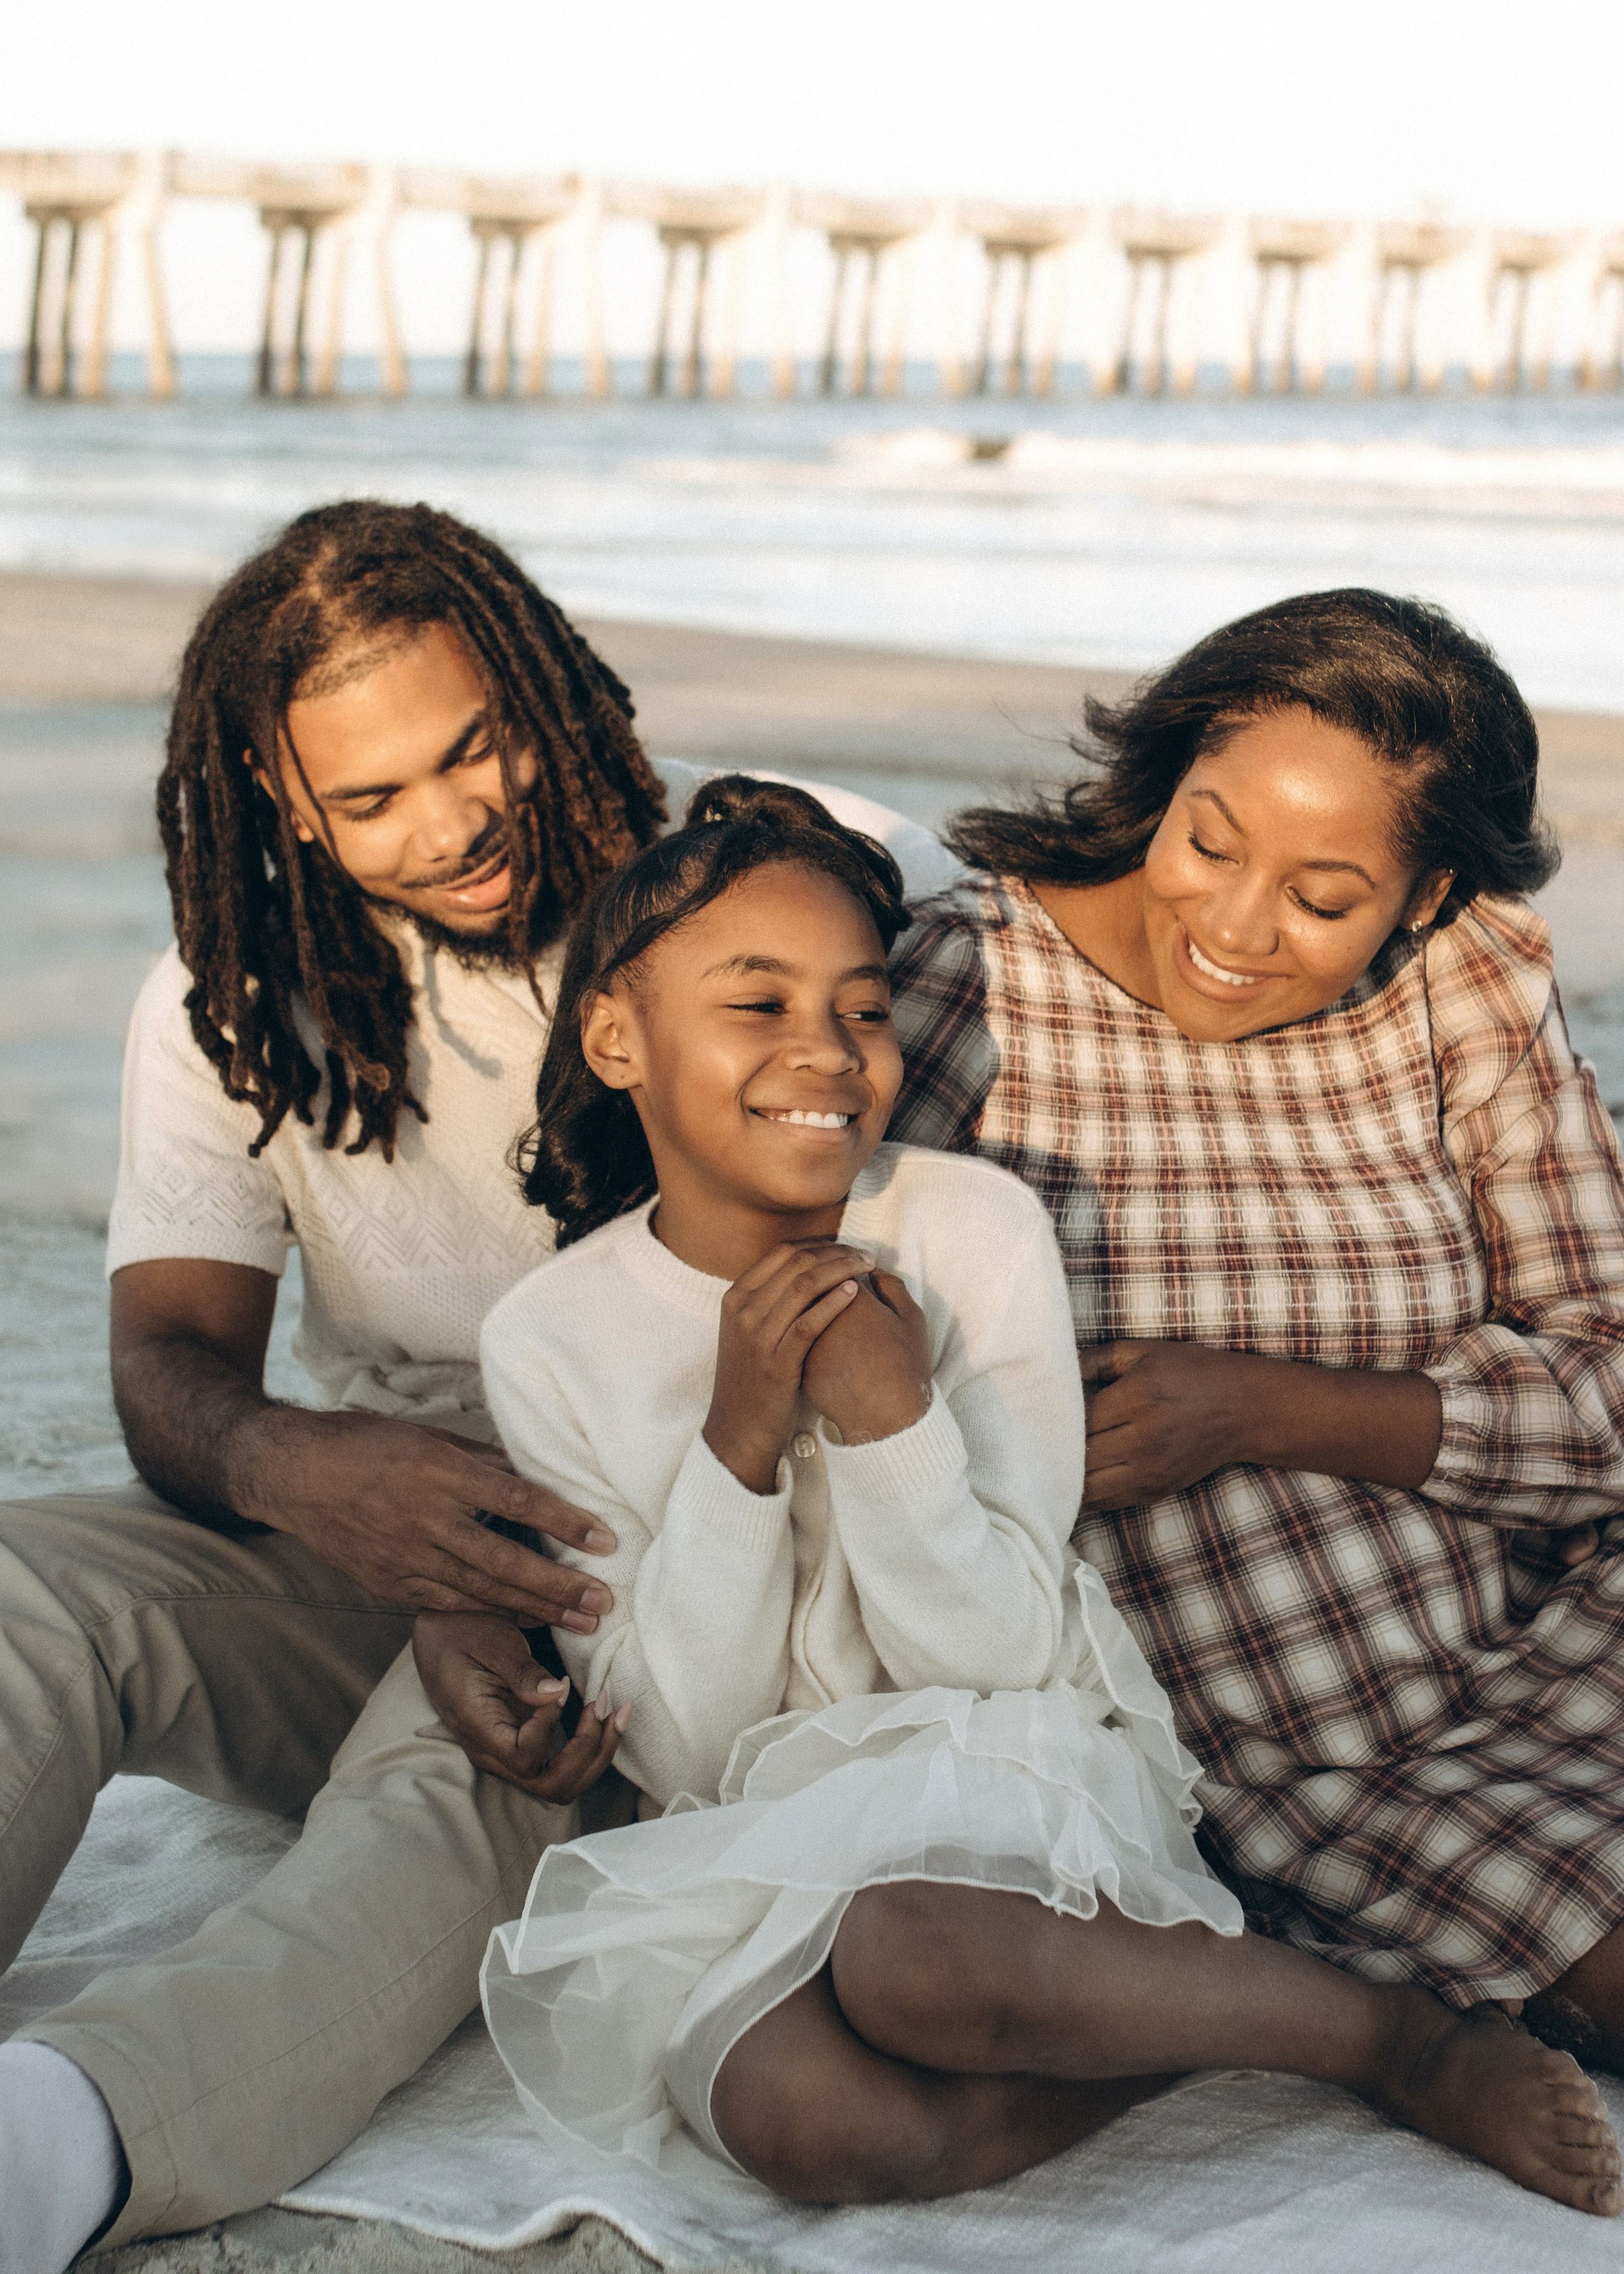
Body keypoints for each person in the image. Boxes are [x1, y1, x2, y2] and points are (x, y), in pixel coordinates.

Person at [422, 777, 1619, 2219]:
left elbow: (992, 1650)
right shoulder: (549, 1337)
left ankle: (1386, 2038)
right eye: (759, 1006)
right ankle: (1173, 2029)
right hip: (755, 1812)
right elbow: (686, 1743)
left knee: (915, 1959)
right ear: (614, 1034)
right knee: (804, 2124)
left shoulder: (966, 1224)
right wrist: (738, 1439)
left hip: (1012, 1758)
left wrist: (885, 1420)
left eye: (864, 1009)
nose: (828, 1053)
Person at [0, 501, 954, 2274]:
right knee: (26, 1594)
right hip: (376, 1526)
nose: (449, 826)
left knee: (453, 1773)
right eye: (371, 800)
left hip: (697, 1573)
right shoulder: (231, 989)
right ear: (288, 800)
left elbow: (915, 1308)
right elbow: (169, 1369)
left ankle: (63, 2145)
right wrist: (310, 1476)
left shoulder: (781, 899)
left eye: (473, 747)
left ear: (538, 687)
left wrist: (478, 1589)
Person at [884, 586, 1624, 2071]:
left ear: (1417, 900)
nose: (1228, 924)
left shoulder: (1460, 977)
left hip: (1564, 1608)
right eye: (1207, 839)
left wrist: (1259, 1406)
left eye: (1321, 895)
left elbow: (1605, 1376)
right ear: (1161, 782)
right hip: (1310, 1749)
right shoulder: (955, 988)